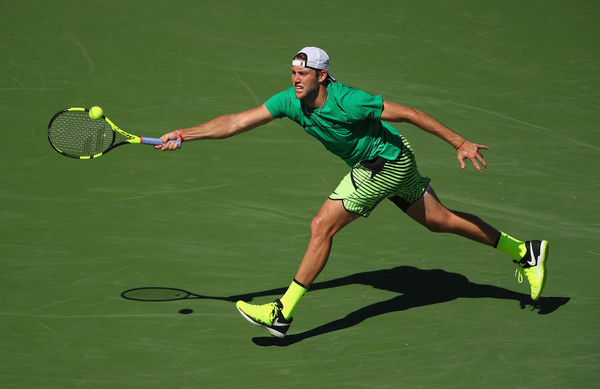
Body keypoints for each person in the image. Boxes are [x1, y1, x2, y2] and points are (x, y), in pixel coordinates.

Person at [156, 46, 549, 338]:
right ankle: (524, 251)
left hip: (384, 164)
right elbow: (237, 122)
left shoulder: (350, 101)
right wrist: (184, 134)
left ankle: (282, 312)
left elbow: (409, 114)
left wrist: (458, 141)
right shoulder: (288, 102)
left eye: (304, 73)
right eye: (293, 72)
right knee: (440, 220)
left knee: (321, 226)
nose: (296, 79)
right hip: (395, 158)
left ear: (322, 76)